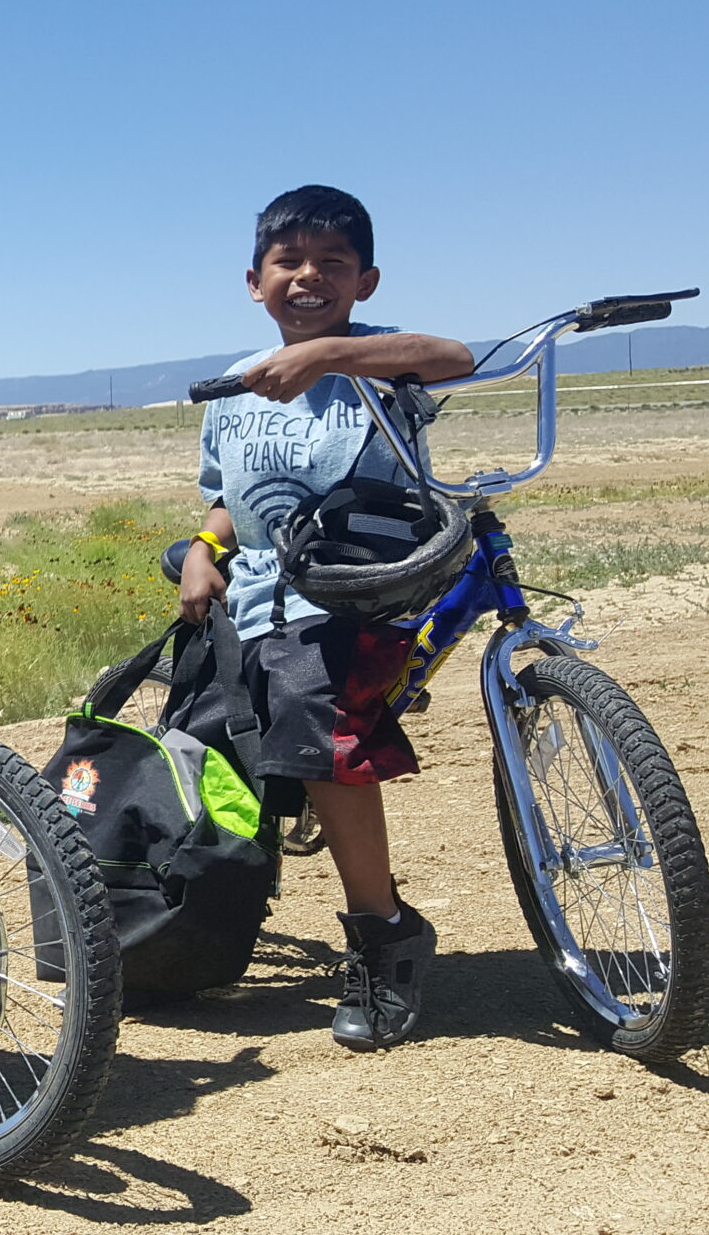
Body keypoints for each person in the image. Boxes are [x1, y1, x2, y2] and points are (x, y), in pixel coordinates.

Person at [175, 184, 475, 1050]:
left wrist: (330, 357)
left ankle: (383, 935)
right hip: (264, 591)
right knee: (211, 725)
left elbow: (455, 354)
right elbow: (228, 501)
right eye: (290, 262)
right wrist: (203, 545)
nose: (310, 276)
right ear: (254, 280)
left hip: (356, 583)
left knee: (323, 730)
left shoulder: (385, 357)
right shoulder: (234, 388)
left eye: (333, 263)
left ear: (365, 281)